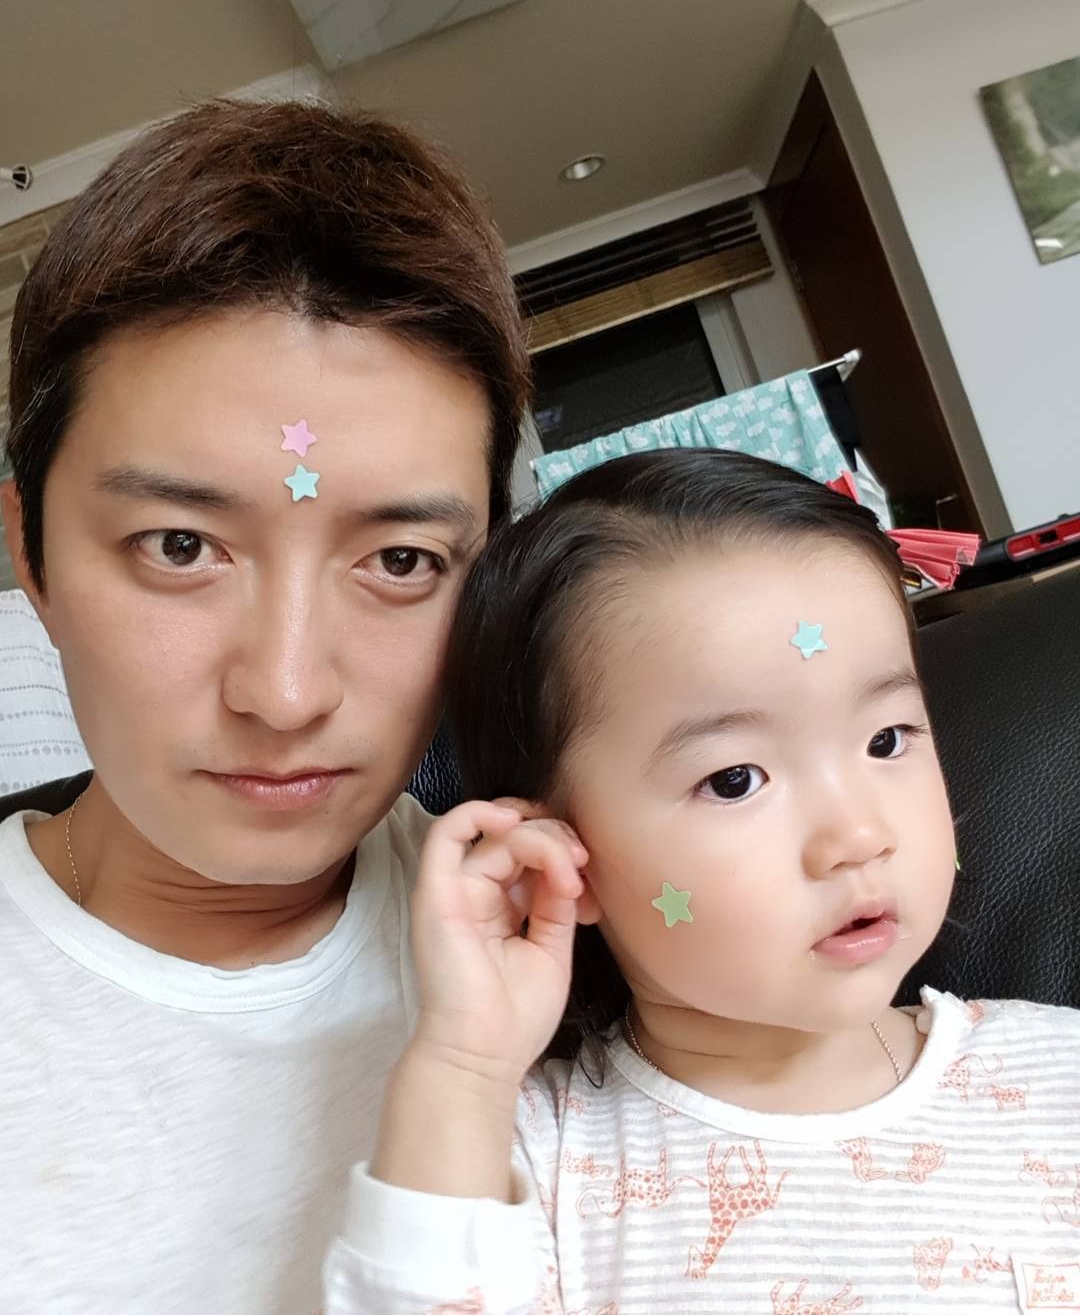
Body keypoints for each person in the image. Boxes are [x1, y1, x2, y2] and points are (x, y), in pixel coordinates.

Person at [0, 98, 535, 1313]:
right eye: (180, 546)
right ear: (31, 550)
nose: (287, 693)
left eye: (401, 561)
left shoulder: (593, 949)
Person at [343, 449, 1080, 1312]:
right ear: (559, 857)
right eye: (735, 780)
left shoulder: (1055, 1073)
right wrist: (466, 1064)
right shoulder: (526, 1164)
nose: (857, 836)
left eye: (886, 740)